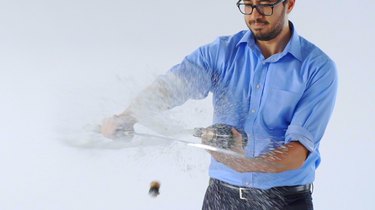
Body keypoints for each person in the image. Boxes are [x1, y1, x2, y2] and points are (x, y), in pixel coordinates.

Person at [101, 0, 337, 209]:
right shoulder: (221, 53)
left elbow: (297, 152)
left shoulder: (317, 68)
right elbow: (171, 86)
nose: (255, 14)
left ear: (290, 4)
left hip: (284, 201)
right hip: (222, 198)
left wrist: (243, 163)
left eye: (265, 4)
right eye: (248, 4)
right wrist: (128, 117)